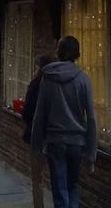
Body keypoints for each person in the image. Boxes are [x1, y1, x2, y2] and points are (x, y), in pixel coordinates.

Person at [30, 36, 97, 208]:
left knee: (60, 190)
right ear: (77, 54)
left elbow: (40, 115)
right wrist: (91, 154)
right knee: (72, 186)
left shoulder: (48, 78)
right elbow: (91, 119)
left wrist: (36, 146)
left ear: (58, 52)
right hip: (76, 142)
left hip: (55, 140)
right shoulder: (84, 80)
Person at [22, 54, 55, 208]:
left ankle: (39, 205)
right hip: (56, 134)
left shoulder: (36, 84)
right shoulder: (56, 84)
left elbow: (27, 112)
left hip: (37, 136)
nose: (33, 71)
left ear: (39, 68)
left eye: (35, 67)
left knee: (37, 177)